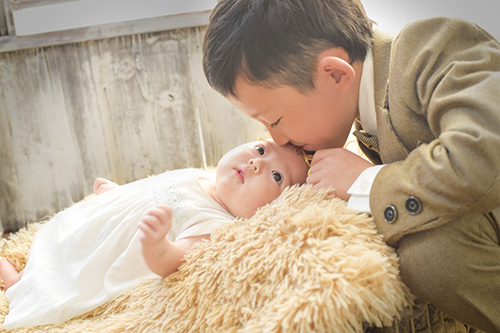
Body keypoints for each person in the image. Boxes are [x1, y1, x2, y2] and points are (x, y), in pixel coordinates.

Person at [202, 0, 500, 331]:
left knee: (432, 255)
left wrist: (368, 181)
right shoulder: (359, 111)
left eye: (275, 120)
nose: (278, 139)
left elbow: (487, 153)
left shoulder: (433, 46)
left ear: (335, 74)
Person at [0, 139, 309, 329]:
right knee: (62, 235)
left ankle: (18, 283)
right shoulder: (200, 177)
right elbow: (155, 190)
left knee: (66, 276)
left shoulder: (215, 225)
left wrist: (157, 243)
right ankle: (34, 266)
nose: (256, 163)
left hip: (112, 248)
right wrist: (119, 195)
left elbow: (173, 261)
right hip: (102, 222)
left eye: (277, 176)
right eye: (261, 149)